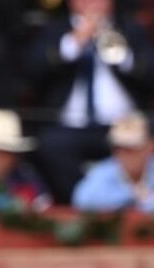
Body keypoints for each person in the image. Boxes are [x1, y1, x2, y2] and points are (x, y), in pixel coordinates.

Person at [23, 0, 154, 203]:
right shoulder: (54, 29)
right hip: (70, 126)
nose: (92, 3)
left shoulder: (130, 28)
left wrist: (122, 55)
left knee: (138, 145)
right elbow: (30, 73)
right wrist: (73, 43)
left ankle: (131, 204)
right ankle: (84, 207)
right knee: (50, 145)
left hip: (123, 126)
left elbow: (149, 73)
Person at [72, 111, 154, 213]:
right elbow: (82, 200)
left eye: (132, 148)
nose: (123, 154)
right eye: (118, 147)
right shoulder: (103, 171)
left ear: (150, 146)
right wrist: (133, 195)